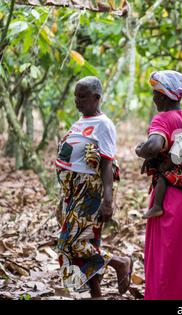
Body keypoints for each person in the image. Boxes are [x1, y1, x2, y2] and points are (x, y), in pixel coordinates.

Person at [55, 76, 132, 298]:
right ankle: (95, 292)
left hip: (90, 192)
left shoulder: (104, 124)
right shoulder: (80, 121)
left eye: (82, 96)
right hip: (73, 193)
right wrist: (63, 198)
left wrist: (108, 201)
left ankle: (119, 262)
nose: (76, 101)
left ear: (96, 98)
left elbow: (107, 163)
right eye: (75, 96)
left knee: (69, 244)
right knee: (88, 241)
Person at [135, 70, 182, 300]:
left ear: (162, 96)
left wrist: (141, 150)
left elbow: (154, 145)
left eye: (155, 94)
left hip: (171, 199)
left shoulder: (163, 119)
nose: (154, 99)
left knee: (166, 261)